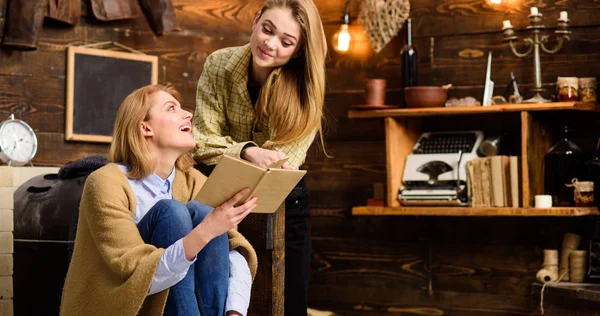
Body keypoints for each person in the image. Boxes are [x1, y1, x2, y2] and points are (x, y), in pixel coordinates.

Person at [60, 84, 259, 316]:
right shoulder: (105, 182)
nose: (188, 114)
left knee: (201, 211)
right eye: (171, 108)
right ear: (145, 128)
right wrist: (205, 232)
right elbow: (133, 274)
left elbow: (232, 253)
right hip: (123, 306)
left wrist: (234, 312)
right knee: (172, 212)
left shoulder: (193, 180)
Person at [191, 0, 327, 314]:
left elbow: (282, 163)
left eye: (286, 41)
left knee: (289, 304)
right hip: (217, 197)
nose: (270, 43)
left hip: (282, 202)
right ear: (255, 20)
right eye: (267, 29)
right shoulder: (218, 63)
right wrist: (249, 151)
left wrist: (229, 152)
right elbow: (200, 140)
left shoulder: (306, 89)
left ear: (299, 50)